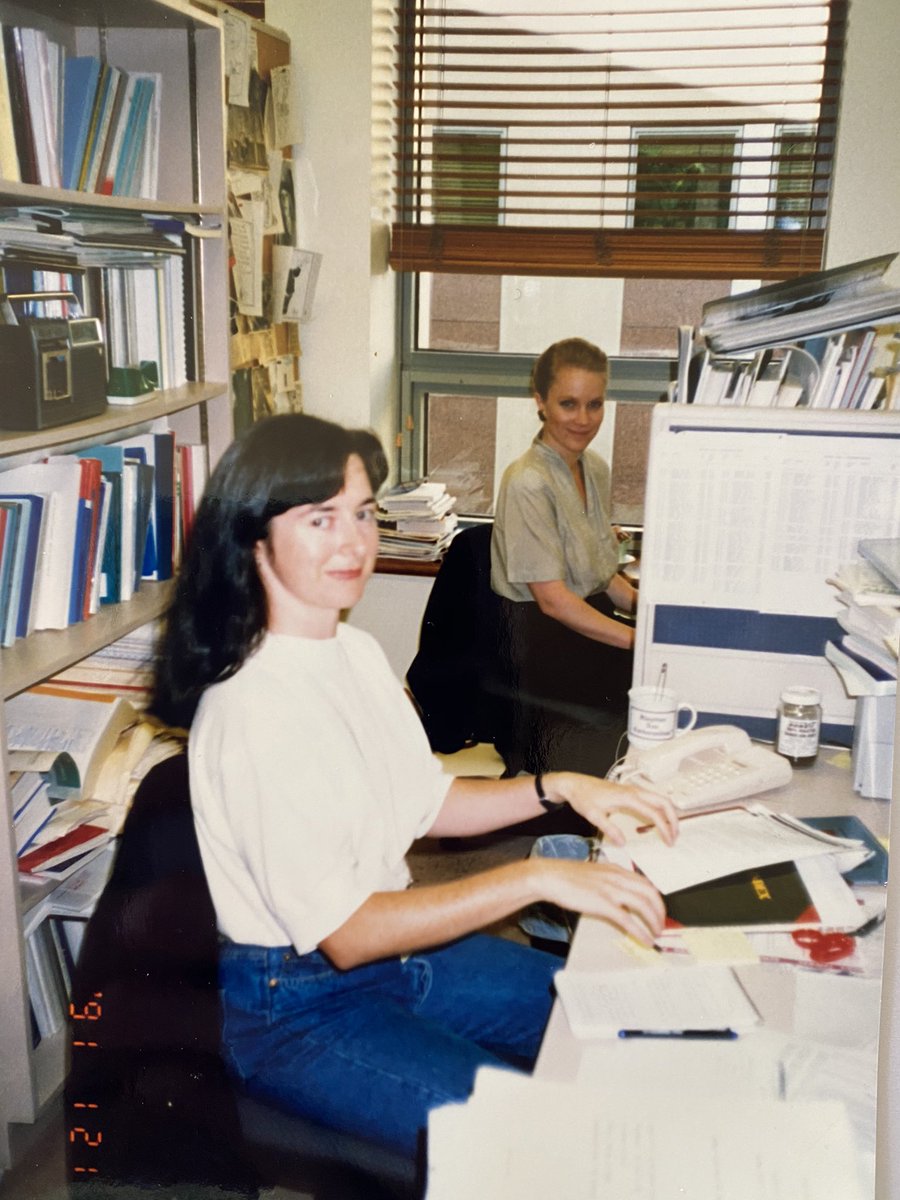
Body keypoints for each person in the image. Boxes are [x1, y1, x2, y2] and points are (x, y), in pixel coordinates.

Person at [150, 412, 677, 1163]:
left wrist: (562, 787)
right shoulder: (250, 708)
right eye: (320, 518)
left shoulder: (355, 651)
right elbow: (351, 930)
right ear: (254, 538)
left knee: (611, 1014)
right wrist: (535, 877)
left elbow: (427, 801)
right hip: (292, 1005)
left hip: (392, 961)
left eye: (363, 513)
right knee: (540, 1144)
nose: (354, 541)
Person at [491, 337, 637, 781]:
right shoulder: (527, 482)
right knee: (647, 688)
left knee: (663, 676)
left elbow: (601, 573)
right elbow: (553, 600)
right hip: (538, 640)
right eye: (568, 403)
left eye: (595, 404)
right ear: (540, 401)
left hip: (582, 622)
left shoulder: (594, 468)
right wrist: (637, 642)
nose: (583, 419)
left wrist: (650, 614)